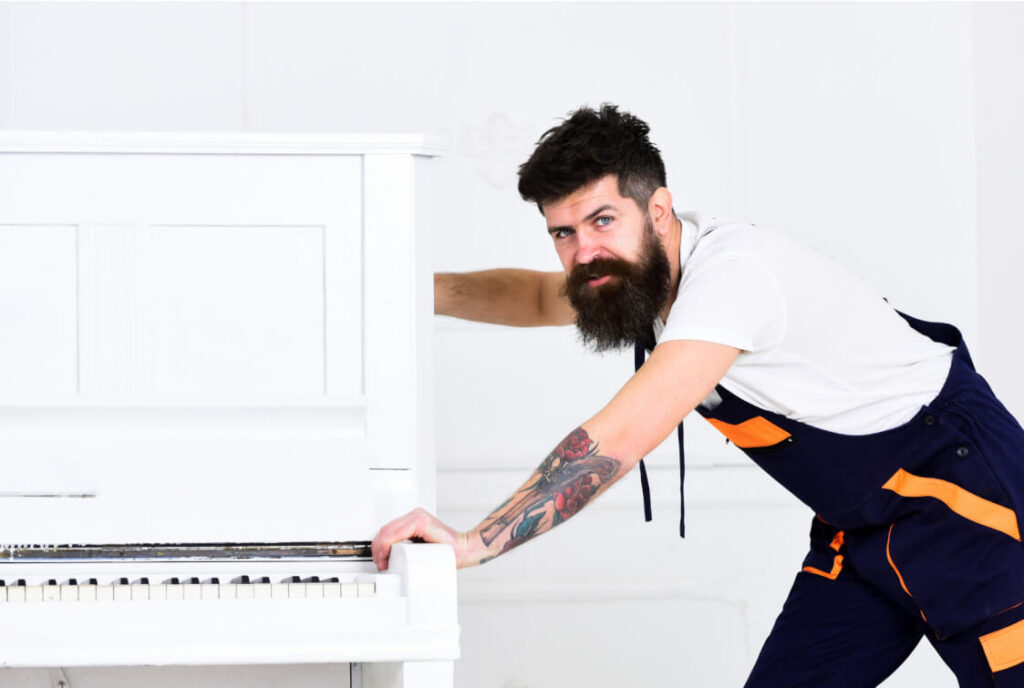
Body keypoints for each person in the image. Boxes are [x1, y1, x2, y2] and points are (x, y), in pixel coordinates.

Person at [370, 104, 1024, 686]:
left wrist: (471, 543)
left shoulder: (733, 277)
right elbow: (539, 295)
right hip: (861, 525)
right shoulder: (634, 277)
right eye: (563, 233)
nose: (584, 253)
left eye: (601, 220)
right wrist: (403, 286)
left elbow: (619, 437)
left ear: (658, 209)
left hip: (969, 502)